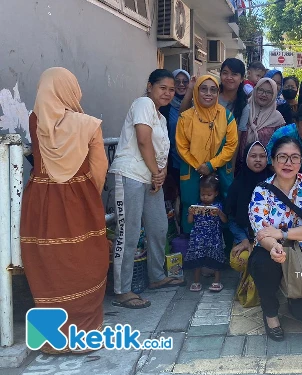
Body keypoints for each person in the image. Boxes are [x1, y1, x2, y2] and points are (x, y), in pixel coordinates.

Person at [20, 67, 108, 354]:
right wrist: (88, 195)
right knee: (84, 259)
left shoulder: (35, 120)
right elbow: (99, 168)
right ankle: (84, 334)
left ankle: (51, 339)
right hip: (78, 198)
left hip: (40, 201)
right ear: (70, 89)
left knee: (47, 262)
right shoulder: (88, 124)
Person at [109, 69, 185, 309]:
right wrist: (156, 172)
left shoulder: (161, 117)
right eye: (163, 87)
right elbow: (143, 140)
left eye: (172, 90)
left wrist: (160, 173)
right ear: (150, 86)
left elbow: (159, 150)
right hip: (131, 174)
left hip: (152, 178)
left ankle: (157, 277)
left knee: (159, 226)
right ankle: (123, 290)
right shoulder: (143, 103)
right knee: (129, 233)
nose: (168, 93)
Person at [248, 136, 302, 340]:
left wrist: (283, 234)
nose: (288, 163)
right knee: (261, 261)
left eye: (294, 157)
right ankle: (270, 312)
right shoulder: (261, 191)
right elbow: (261, 232)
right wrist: (275, 245)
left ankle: (295, 296)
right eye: (282, 157)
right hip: (274, 249)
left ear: (301, 162)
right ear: (273, 161)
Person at [176, 75, 238, 234]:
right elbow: (181, 147)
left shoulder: (227, 116)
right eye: (203, 89)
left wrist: (211, 165)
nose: (208, 93)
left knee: (223, 204)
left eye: (213, 90)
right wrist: (199, 166)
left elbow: (231, 145)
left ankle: (222, 248)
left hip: (220, 169)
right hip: (192, 170)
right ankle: (191, 246)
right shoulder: (185, 117)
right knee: (190, 206)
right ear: (196, 91)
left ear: (218, 93)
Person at [227, 141, 271, 307]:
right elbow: (231, 217)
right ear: (245, 159)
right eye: (253, 156)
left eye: (262, 156)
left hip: (270, 239)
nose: (258, 160)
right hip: (245, 236)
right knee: (240, 259)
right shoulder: (238, 184)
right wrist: (244, 240)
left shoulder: (274, 182)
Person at [185, 174, 228, 292]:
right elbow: (189, 221)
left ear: (216, 193)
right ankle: (196, 281)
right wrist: (190, 213)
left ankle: (217, 281)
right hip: (198, 237)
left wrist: (219, 213)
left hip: (214, 237)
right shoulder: (197, 206)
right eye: (203, 194)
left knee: (215, 259)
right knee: (197, 259)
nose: (205, 197)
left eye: (209, 194)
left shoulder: (218, 206)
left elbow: (225, 220)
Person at [238, 77, 286, 158]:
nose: (264, 95)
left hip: (266, 166)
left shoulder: (278, 119)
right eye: (260, 90)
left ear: (274, 95)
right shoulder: (243, 110)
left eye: (269, 92)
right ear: (255, 90)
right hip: (240, 164)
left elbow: (279, 147)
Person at [159, 69, 190, 187]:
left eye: (185, 81)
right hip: (170, 159)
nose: (181, 85)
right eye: (177, 81)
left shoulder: (196, 104)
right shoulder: (164, 106)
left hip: (191, 160)